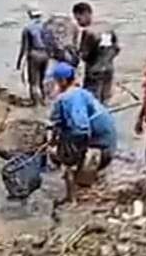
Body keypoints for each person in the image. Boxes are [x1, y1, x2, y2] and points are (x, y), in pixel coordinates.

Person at [48, 63, 117, 204]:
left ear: (62, 81)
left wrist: (68, 153)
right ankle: (87, 182)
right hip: (107, 144)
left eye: (55, 81)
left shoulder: (67, 99)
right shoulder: (82, 92)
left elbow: (80, 129)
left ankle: (72, 199)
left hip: (99, 149)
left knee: (65, 160)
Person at [74, 2, 120, 104]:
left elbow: (84, 55)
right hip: (108, 68)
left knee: (91, 99)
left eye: (79, 19)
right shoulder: (107, 27)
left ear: (86, 14)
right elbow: (116, 48)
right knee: (105, 98)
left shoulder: (88, 32)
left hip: (94, 71)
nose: (78, 23)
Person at [17, 6, 49, 105]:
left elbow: (24, 47)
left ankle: (35, 103)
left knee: (33, 81)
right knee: (42, 80)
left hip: (34, 54)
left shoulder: (27, 28)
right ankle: (44, 100)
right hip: (45, 54)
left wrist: (19, 61)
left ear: (30, 15)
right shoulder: (46, 26)